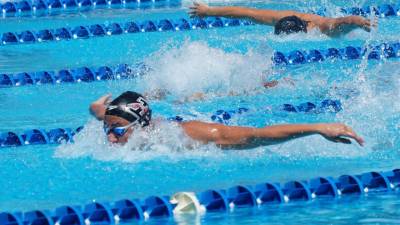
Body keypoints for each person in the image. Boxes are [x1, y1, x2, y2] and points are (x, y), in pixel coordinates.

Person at [89, 91, 364, 148]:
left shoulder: (183, 135)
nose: (110, 137)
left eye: (117, 130)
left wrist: (317, 128)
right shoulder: (118, 123)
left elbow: (256, 135)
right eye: (107, 130)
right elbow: (105, 115)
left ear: (141, 126)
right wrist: (97, 109)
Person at [189, 2, 374, 36]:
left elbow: (342, 22)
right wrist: (209, 10)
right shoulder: (279, 18)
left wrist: (359, 21)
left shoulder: (323, 28)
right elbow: (245, 11)